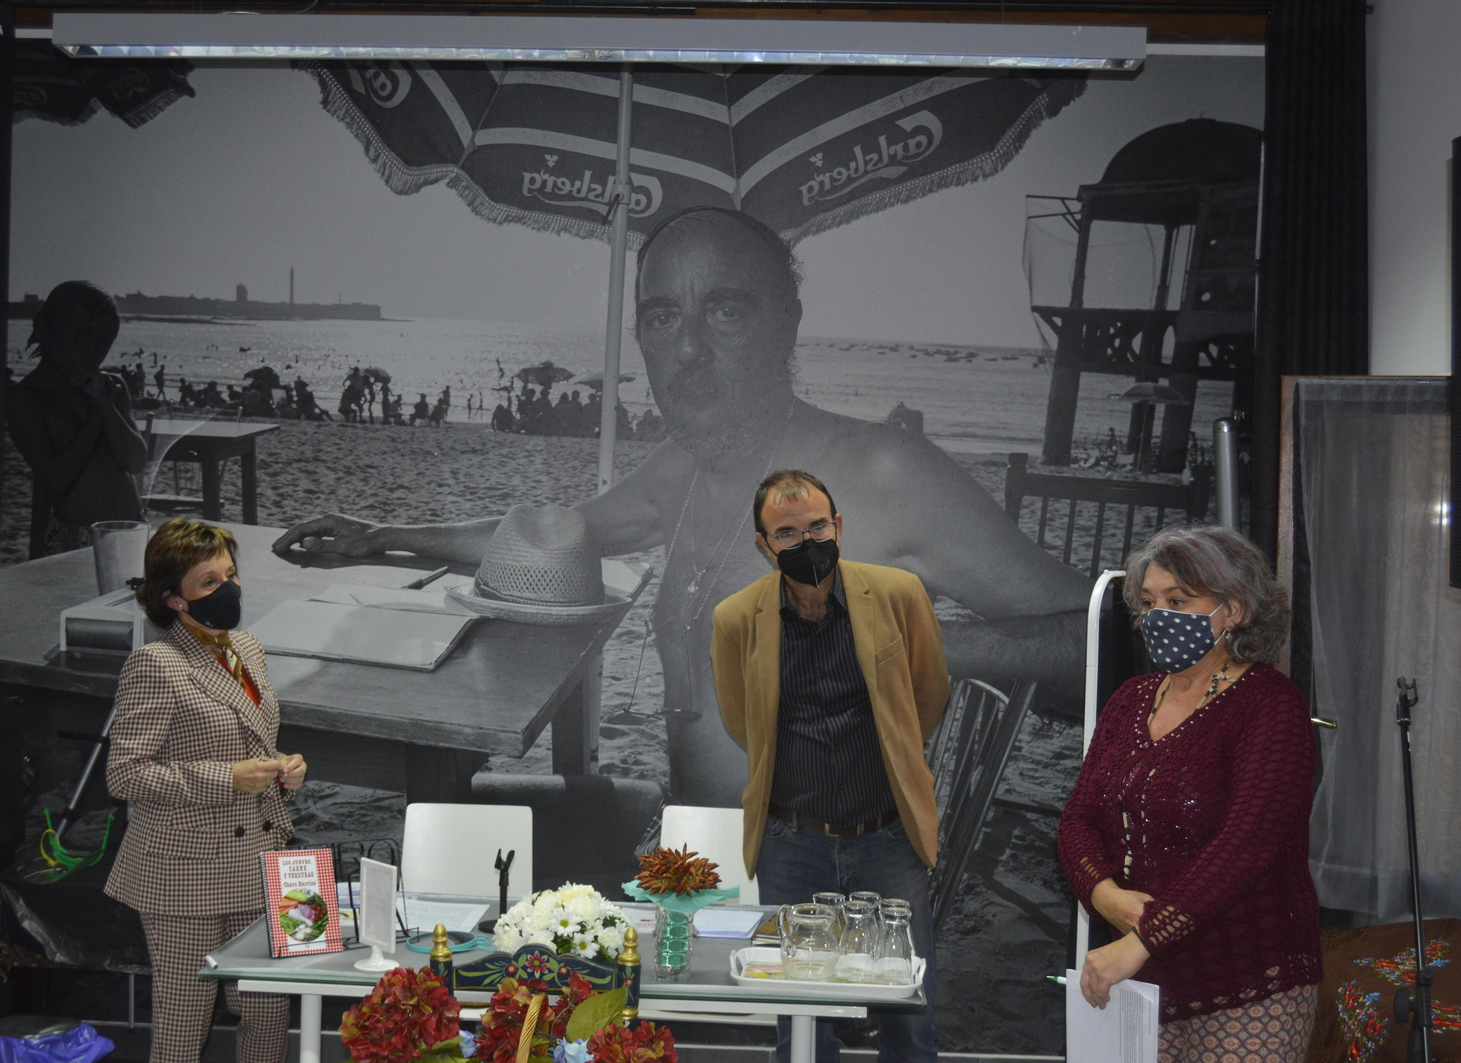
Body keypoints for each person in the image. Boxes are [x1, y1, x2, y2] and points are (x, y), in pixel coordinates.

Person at [271, 206, 1089, 807]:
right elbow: (554, 536)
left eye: (725, 310)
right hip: (692, 860)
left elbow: (1108, 644)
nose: (689, 348)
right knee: (455, 824)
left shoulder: (885, 469)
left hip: (811, 896)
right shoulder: (690, 466)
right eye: (663, 317)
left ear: (787, 323)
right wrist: (381, 535)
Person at [1057, 524, 1322, 1062]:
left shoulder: (1271, 705)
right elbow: (1078, 819)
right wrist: (1103, 896)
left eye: (1178, 600)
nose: (1158, 617)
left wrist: (1141, 940)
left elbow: (1246, 846)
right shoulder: (1131, 699)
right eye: (1149, 602)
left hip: (1247, 980)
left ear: (1235, 610)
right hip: (1140, 983)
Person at [712, 470, 947, 1063]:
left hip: (888, 836)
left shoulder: (898, 594)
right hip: (793, 842)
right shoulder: (736, 619)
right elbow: (742, 722)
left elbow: (928, 695)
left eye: (817, 526)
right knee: (800, 1013)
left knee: (907, 1004)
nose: (806, 541)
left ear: (838, 526)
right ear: (764, 545)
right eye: (787, 533)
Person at [106, 518, 308, 1063]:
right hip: (185, 866)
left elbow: (252, 736)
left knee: (269, 1007)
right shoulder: (155, 665)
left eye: (231, 574)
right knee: (185, 1011)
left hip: (263, 856)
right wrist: (227, 777)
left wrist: (285, 767)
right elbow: (124, 774)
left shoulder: (248, 648)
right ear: (174, 599)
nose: (229, 589)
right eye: (210, 582)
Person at [7, 281, 149, 557]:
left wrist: (105, 404)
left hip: (128, 526)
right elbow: (55, 477)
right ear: (44, 328)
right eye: (78, 334)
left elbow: (135, 461)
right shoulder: (26, 398)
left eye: (102, 342)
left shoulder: (112, 388)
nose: (90, 349)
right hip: (72, 534)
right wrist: (96, 415)